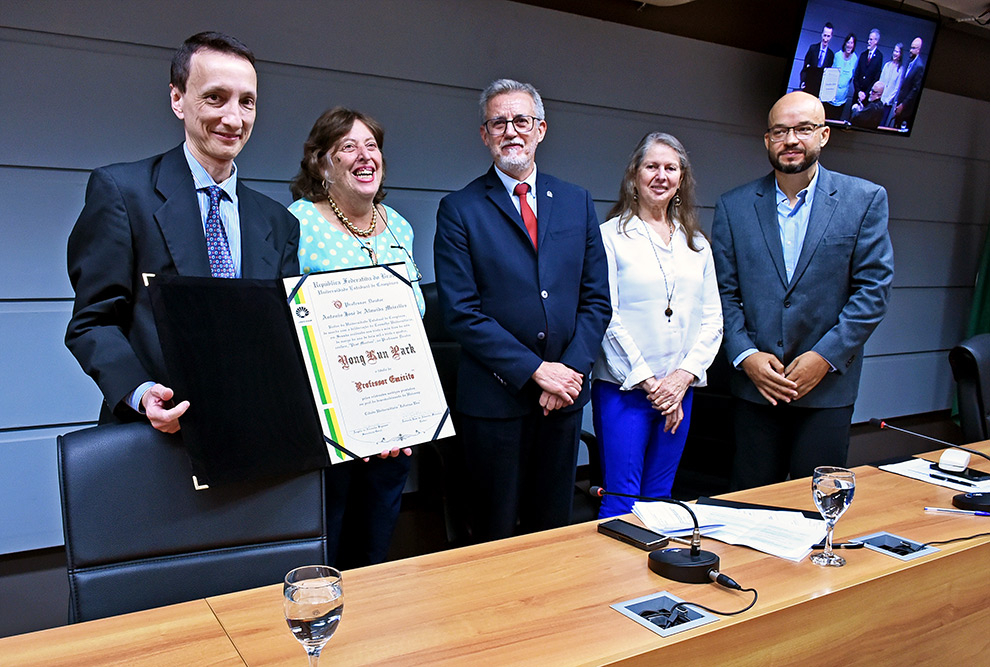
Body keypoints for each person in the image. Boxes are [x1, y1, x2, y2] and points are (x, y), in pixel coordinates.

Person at [65, 32, 299, 433]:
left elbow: (290, 335)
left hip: (253, 437)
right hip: (154, 440)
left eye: (247, 102)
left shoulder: (278, 222)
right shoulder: (123, 193)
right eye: (215, 97)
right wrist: (139, 391)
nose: (233, 118)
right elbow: (93, 322)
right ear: (177, 99)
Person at [434, 79, 610, 542]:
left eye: (521, 121)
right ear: (484, 134)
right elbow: (461, 312)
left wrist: (567, 371)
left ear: (541, 129)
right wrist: (536, 371)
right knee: (493, 535)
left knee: (553, 530)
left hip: (564, 402)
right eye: (499, 122)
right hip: (495, 404)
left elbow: (596, 300)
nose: (511, 131)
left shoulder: (577, 201)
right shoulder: (459, 209)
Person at [711, 91, 893, 491]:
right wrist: (745, 355)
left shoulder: (863, 200)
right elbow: (722, 292)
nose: (791, 140)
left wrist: (824, 358)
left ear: (824, 136)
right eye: (780, 130)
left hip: (827, 388)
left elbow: (873, 290)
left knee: (818, 510)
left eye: (804, 129)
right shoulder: (733, 207)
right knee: (750, 506)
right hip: (756, 387)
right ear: (767, 140)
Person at [288, 106, 424, 568]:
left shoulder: (398, 225)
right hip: (331, 416)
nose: (365, 156)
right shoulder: (299, 224)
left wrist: (397, 408)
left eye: (372, 146)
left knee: (378, 536)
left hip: (395, 411)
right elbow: (291, 320)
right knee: (330, 535)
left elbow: (416, 312)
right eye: (348, 147)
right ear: (321, 162)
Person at [592, 133, 722, 518]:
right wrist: (652, 384)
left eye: (671, 168)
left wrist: (680, 381)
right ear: (634, 175)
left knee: (661, 497)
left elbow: (713, 320)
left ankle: (652, 579)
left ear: (681, 179)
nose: (661, 175)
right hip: (625, 389)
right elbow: (606, 316)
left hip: (679, 393)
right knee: (623, 499)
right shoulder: (610, 237)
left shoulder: (696, 243)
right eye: (652, 166)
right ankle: (615, 580)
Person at [894, 37, 925, 131]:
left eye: (913, 48)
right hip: (899, 103)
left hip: (906, 109)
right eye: (911, 47)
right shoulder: (908, 61)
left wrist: (903, 105)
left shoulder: (919, 66)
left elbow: (915, 90)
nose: (910, 50)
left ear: (918, 50)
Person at [824, 33, 857, 121]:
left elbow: (851, 78)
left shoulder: (855, 58)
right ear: (845, 43)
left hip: (842, 99)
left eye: (852, 43)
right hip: (830, 98)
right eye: (848, 42)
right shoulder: (837, 56)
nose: (850, 45)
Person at [800, 23, 835, 98]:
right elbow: (805, 68)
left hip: (819, 89)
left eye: (828, 36)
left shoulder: (830, 54)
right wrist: (803, 81)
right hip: (808, 86)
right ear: (822, 34)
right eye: (825, 35)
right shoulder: (813, 49)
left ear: (831, 37)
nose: (825, 39)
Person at [852, 29, 883, 107]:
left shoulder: (879, 57)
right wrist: (859, 91)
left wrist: (866, 93)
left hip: (868, 96)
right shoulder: (863, 55)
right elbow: (856, 75)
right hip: (857, 95)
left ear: (876, 41)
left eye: (871, 39)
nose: (868, 41)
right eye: (869, 39)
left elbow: (876, 78)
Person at [878, 42, 904, 127]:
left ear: (900, 54)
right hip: (880, 100)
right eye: (894, 51)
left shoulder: (900, 69)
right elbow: (880, 81)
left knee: (882, 123)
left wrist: (888, 100)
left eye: (897, 52)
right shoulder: (887, 65)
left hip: (888, 103)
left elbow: (896, 88)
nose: (895, 53)